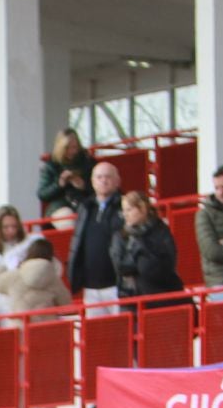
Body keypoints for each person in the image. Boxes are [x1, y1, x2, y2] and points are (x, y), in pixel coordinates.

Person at [67, 162, 124, 313]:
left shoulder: (125, 206)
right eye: (99, 177)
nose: (103, 181)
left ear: (117, 181)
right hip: (91, 288)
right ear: (92, 182)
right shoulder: (85, 207)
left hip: (116, 286)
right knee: (96, 335)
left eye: (108, 177)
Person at [111, 192, 183, 302]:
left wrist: (142, 251)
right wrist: (139, 253)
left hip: (163, 293)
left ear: (143, 209)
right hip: (132, 295)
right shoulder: (120, 236)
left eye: (129, 210)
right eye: (123, 210)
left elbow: (168, 262)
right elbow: (120, 266)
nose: (125, 214)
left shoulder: (161, 230)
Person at [37, 129, 93, 218]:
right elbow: (42, 194)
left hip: (85, 204)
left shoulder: (87, 161)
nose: (72, 151)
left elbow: (100, 187)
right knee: (69, 219)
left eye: (75, 147)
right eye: (67, 148)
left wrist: (83, 185)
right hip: (59, 207)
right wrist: (59, 184)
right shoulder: (51, 165)